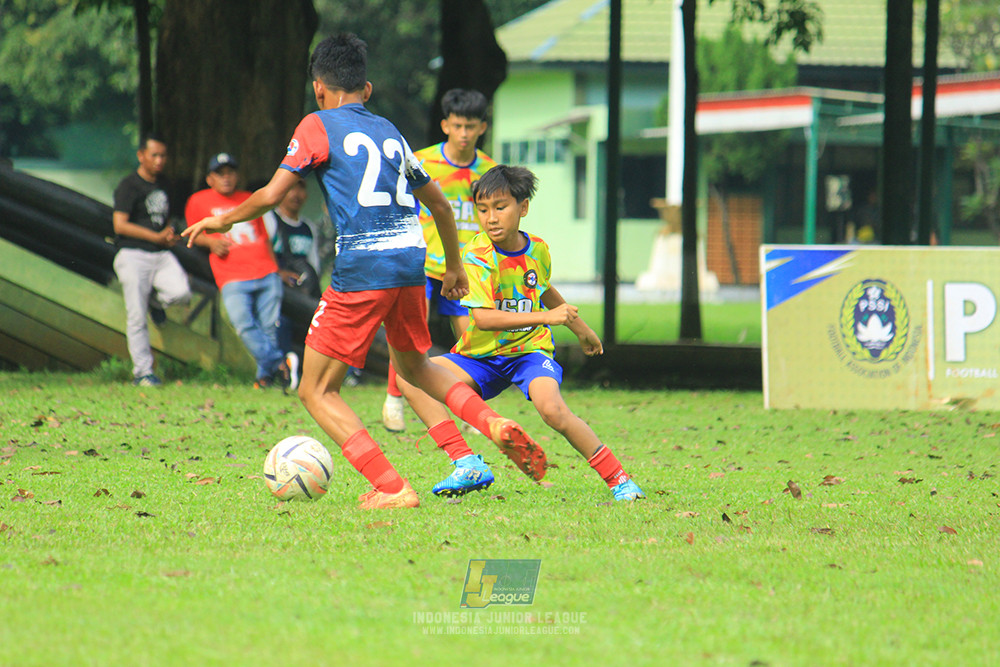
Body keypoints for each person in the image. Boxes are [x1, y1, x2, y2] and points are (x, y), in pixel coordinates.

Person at [183, 33, 546, 510]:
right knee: (417, 366)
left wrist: (221, 218)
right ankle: (492, 424)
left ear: (319, 88)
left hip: (363, 266)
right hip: (411, 263)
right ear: (367, 89)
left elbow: (272, 195)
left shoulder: (316, 125)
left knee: (315, 390)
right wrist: (454, 266)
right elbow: (437, 202)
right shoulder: (390, 131)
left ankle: (393, 487)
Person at [395, 165, 645, 502]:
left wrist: (581, 328)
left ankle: (619, 480)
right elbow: (482, 319)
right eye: (483, 210)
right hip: (480, 356)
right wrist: (549, 317)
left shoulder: (538, 249)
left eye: (500, 207)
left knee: (553, 411)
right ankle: (466, 461)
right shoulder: (476, 254)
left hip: (530, 352)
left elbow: (542, 288)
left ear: (522, 208)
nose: (491, 218)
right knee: (410, 378)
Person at [381, 88, 498, 432]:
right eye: (458, 125)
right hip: (421, 265)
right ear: (446, 125)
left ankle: (473, 410)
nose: (464, 134)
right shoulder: (421, 162)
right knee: (409, 334)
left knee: (473, 336)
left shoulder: (490, 172)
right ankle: (393, 401)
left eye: (471, 126)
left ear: (482, 128)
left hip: (465, 270)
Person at [184, 153, 294, 389]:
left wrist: (277, 269)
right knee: (243, 324)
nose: (226, 178)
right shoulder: (198, 201)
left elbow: (264, 238)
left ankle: (265, 379)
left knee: (269, 327)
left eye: (230, 172)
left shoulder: (249, 199)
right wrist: (211, 243)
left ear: (237, 176)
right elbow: (193, 234)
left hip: (265, 270)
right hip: (231, 274)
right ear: (209, 179)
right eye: (220, 173)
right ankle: (279, 363)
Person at [111, 132, 191, 387]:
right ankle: (143, 372)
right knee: (136, 315)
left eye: (163, 156)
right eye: (154, 155)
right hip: (133, 254)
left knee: (182, 294)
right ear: (141, 155)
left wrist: (166, 235)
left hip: (160, 254)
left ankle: (154, 302)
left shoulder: (165, 184)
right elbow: (120, 225)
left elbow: (163, 218)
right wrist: (155, 237)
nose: (159, 160)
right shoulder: (128, 185)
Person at [262, 177, 322, 388]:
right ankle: (280, 370)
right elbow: (261, 252)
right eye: (290, 189)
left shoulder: (308, 227)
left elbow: (314, 263)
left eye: (301, 189)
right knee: (280, 323)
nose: (296, 195)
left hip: (304, 292)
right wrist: (277, 273)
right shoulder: (270, 220)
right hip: (276, 290)